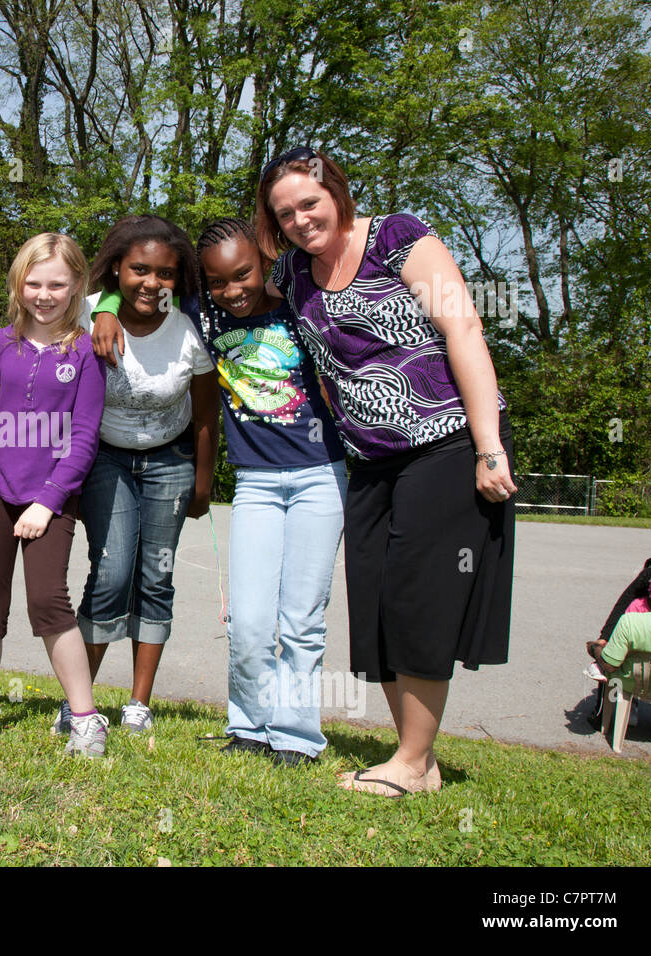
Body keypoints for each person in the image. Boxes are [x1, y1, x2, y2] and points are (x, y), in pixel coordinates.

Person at [258, 146, 517, 796]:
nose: (300, 220)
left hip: (447, 441)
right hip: (371, 457)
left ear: (336, 193)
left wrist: (488, 447)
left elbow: (463, 330)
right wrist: (113, 301)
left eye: (310, 203)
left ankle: (409, 760)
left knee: (417, 595)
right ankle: (418, 761)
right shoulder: (292, 272)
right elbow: (225, 285)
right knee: (375, 597)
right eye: (285, 214)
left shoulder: (398, 238)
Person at [93, 217, 347, 765]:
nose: (233, 291)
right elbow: (139, 289)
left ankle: (296, 736)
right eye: (217, 281)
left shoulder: (301, 307)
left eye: (243, 275)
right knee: (248, 618)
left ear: (265, 262)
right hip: (255, 478)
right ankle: (250, 726)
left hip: (320, 475)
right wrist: (105, 308)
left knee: (302, 617)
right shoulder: (201, 313)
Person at [0, 233, 110, 756]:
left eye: (57, 285)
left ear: (77, 286)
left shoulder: (86, 352)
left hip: (52, 497)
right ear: (19, 284)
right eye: (34, 283)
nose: (44, 295)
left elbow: (84, 435)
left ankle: (85, 719)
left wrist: (49, 500)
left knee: (47, 600)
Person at [73, 214, 219, 735]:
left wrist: (202, 484)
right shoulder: (87, 312)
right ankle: (78, 701)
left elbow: (207, 413)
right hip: (104, 460)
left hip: (170, 461)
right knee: (111, 572)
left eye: (166, 273)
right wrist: (104, 309)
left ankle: (139, 704)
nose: (151, 282)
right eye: (139, 269)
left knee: (156, 576)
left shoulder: (189, 327)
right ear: (117, 267)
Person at [588, 575, 651, 698]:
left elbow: (610, 665)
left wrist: (595, 649)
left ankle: (619, 709)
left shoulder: (630, 621)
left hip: (632, 685)